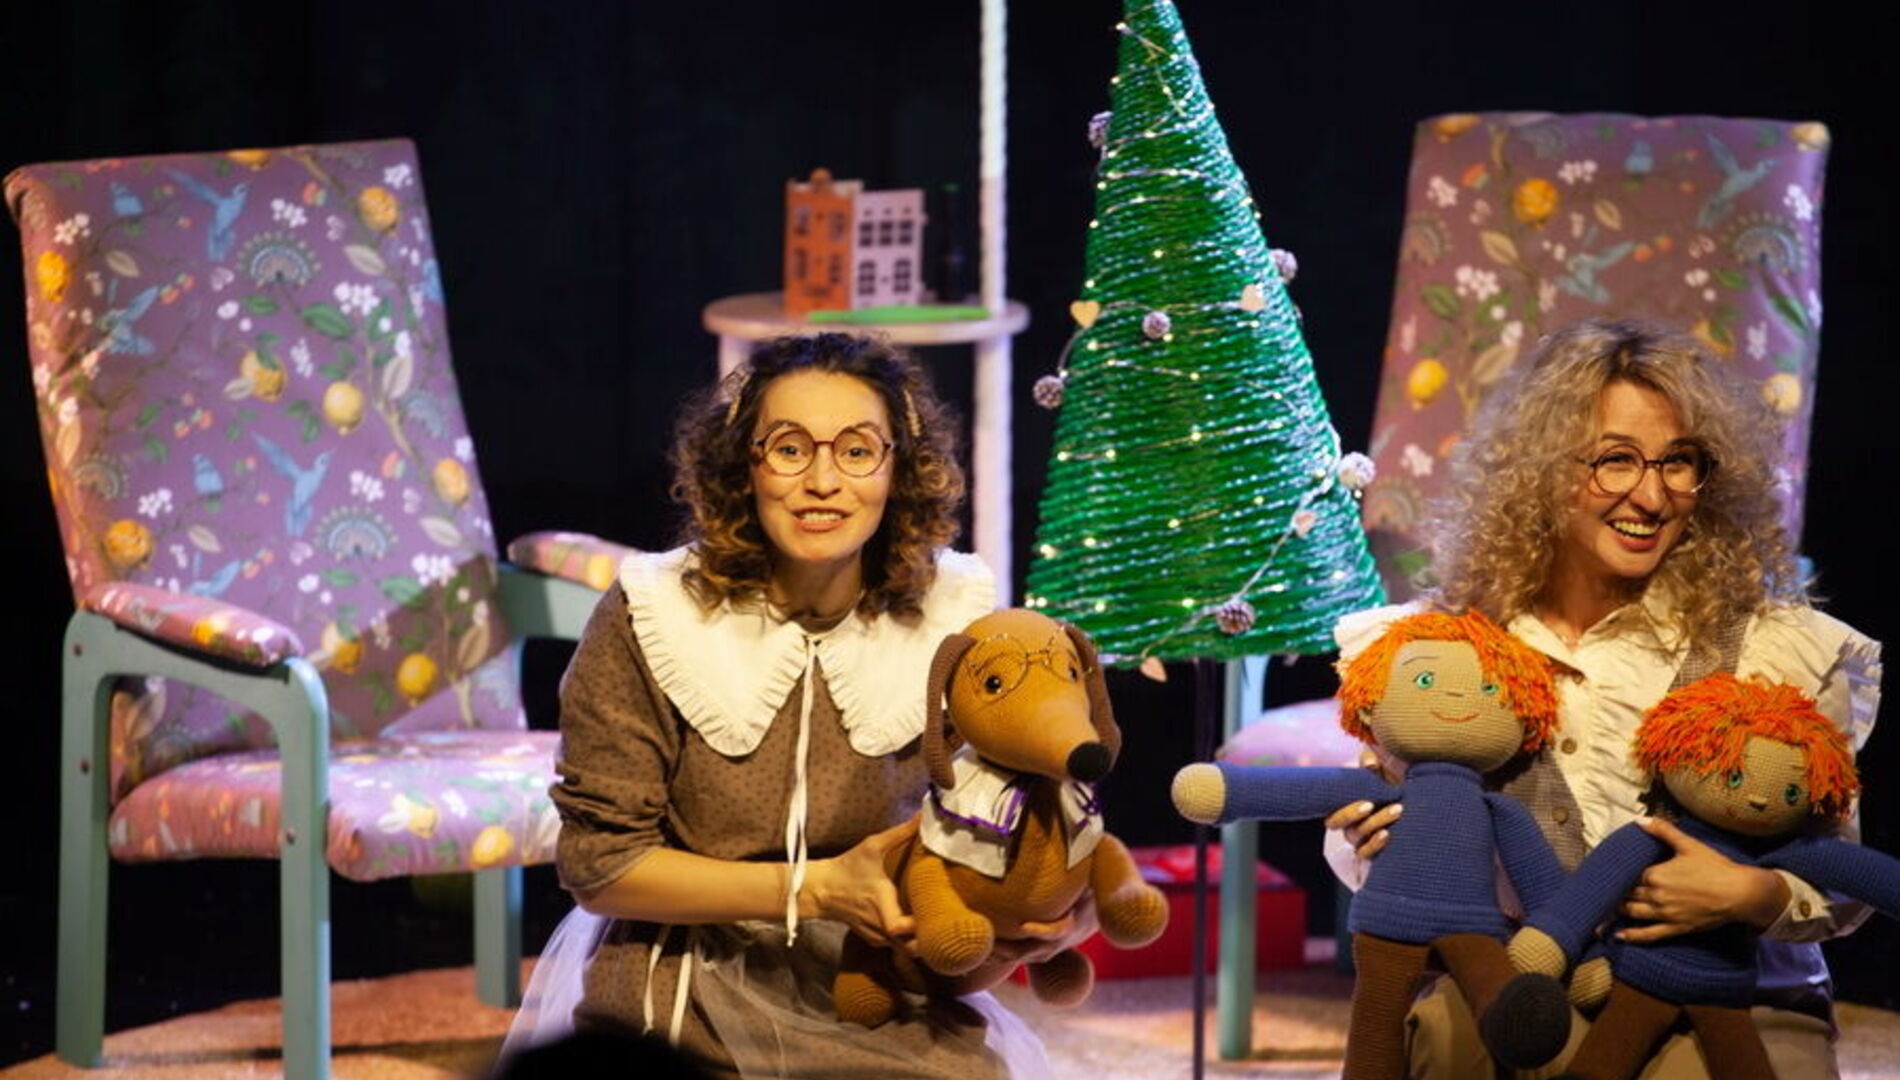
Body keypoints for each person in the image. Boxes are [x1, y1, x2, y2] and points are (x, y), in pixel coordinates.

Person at [1325, 318, 1882, 1078]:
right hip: (1521, 981)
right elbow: (1382, 842)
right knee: (1453, 1046)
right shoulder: (1459, 644)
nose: (1650, 495)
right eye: (1615, 460)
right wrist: (1371, 838)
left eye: (1678, 462)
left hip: (1729, 994)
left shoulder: (1774, 650)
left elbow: (1843, 877)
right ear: (1545, 467)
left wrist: (1752, 894)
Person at [502, 333, 1059, 1079]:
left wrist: (1035, 916)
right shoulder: (653, 615)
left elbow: (990, 840)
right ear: (745, 465)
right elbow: (601, 868)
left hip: (876, 977)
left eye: (857, 451)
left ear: (898, 468)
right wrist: (814, 890)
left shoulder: (954, 619)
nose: (822, 481)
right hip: (686, 976)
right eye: (790, 449)